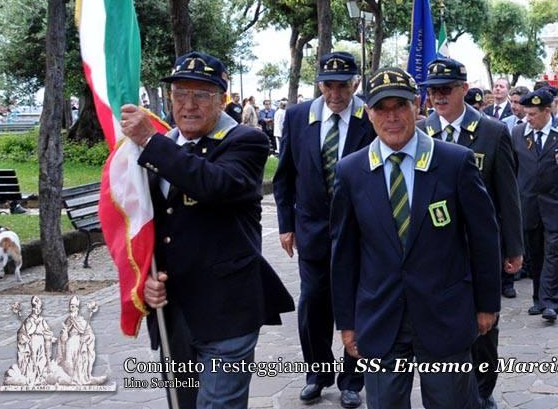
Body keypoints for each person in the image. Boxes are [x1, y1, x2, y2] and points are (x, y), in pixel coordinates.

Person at [124, 51, 295, 409]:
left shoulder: (245, 141)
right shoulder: (159, 147)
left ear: (222, 99)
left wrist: (152, 143)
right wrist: (146, 279)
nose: (188, 105)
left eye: (201, 95)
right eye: (180, 94)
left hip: (226, 309)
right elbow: (145, 223)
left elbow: (212, 184)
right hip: (173, 311)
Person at [330, 66, 501, 409]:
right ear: (369, 113)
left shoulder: (454, 162)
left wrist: (487, 305)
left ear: (417, 106)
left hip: (445, 316)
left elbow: (484, 239)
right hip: (380, 319)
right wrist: (347, 322)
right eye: (382, 108)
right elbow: (344, 253)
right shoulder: (351, 171)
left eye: (400, 106)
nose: (391, 117)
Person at [417, 58, 523, 409]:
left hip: (480, 247)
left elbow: (507, 194)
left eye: (446, 89)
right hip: (436, 250)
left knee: (484, 326)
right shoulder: (420, 133)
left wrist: (514, 247)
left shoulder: (492, 132)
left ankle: (483, 389)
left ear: (464, 88)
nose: (439, 97)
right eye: (433, 91)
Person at [273, 52, 372, 408]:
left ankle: (352, 379)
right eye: (328, 85)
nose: (335, 93)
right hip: (312, 231)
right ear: (319, 85)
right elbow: (284, 176)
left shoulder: (368, 117)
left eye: (342, 85)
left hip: (360, 232)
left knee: (357, 304)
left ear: (355, 84)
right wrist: (286, 225)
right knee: (313, 303)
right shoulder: (299, 117)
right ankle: (317, 374)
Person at [510, 89, 558, 322]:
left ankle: (552, 303)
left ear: (547, 111)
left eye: (533, 114)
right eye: (526, 113)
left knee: (555, 253)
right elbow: (513, 172)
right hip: (529, 205)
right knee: (536, 254)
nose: (528, 118)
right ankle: (539, 298)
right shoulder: (517, 134)